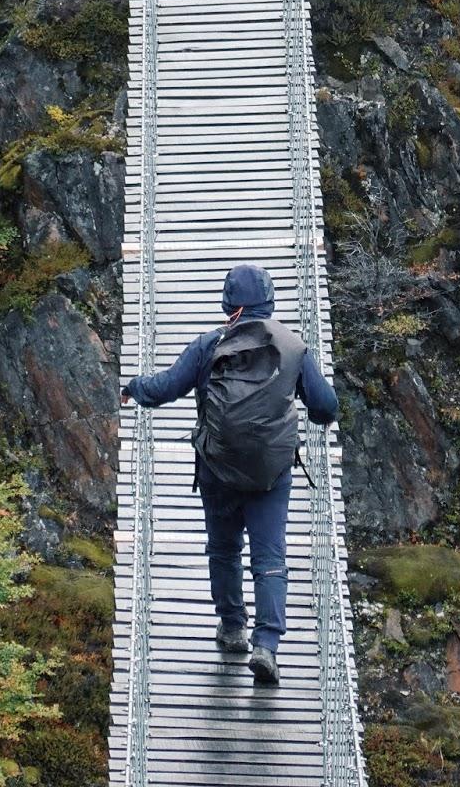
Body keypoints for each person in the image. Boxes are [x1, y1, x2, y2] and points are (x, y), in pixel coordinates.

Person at [120, 263, 338, 685]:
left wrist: (133, 387)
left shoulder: (207, 346)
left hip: (217, 467)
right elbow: (326, 406)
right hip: (270, 473)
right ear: (269, 302)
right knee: (270, 556)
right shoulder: (293, 348)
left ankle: (233, 626)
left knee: (224, 549)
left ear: (228, 304)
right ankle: (267, 645)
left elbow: (166, 387)